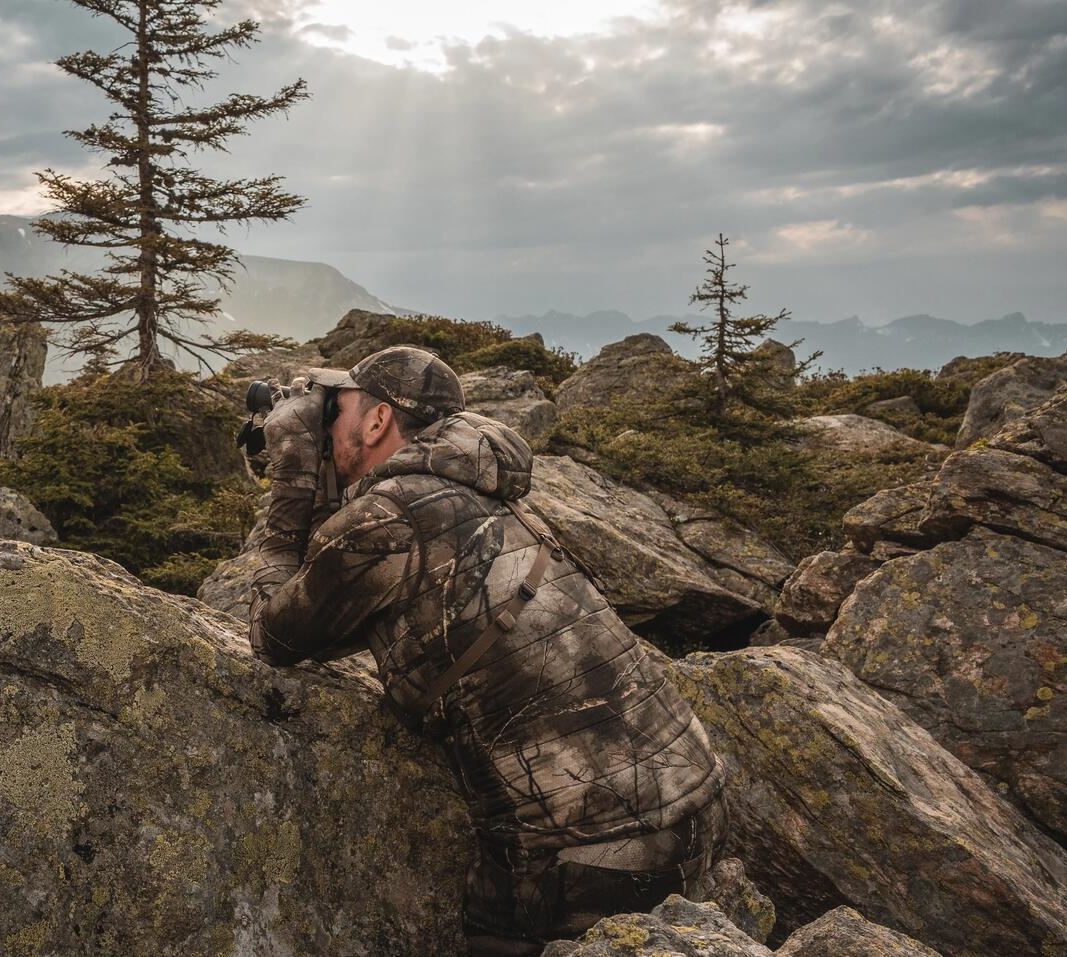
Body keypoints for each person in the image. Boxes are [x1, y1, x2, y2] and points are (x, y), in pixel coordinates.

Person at [247, 345, 727, 956]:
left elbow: (276, 637)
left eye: (333, 412)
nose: (323, 426)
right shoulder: (479, 491)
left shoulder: (381, 520)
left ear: (377, 422)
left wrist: (290, 497)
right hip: (696, 798)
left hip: (592, 850)